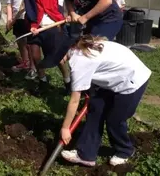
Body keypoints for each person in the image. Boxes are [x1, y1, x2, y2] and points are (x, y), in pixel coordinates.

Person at [39, 34, 151, 167]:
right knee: (95, 108)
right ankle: (86, 154)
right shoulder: (80, 46)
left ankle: (125, 150)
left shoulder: (79, 61)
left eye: (56, 59)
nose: (59, 62)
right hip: (117, 74)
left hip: (132, 80)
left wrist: (65, 128)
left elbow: (74, 101)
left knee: (115, 119)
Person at [24, 0, 71, 91]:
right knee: (35, 55)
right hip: (36, 26)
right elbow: (30, 7)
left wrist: (70, 14)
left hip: (53, 24)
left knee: (58, 57)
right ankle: (43, 80)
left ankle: (67, 81)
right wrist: (33, 25)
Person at [6, 0, 35, 73]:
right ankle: (25, 62)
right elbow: (9, 5)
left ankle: (33, 66)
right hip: (16, 19)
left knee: (29, 43)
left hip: (28, 17)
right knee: (20, 41)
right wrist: (9, 20)